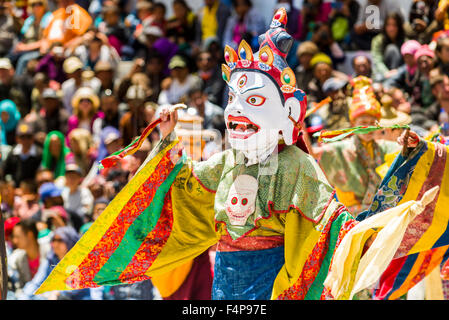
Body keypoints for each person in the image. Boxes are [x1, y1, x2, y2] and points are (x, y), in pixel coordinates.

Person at [37, 9, 440, 301]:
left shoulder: (297, 166)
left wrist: (388, 214)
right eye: (233, 99)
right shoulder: (227, 162)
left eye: (254, 100)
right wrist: (165, 143)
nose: (235, 110)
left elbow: (330, 229)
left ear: (289, 116)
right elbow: (180, 197)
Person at [314, 76, 401, 215]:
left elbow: (405, 153)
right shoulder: (340, 149)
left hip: (382, 215)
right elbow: (313, 154)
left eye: (372, 123)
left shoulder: (385, 147)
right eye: (363, 122)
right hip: (351, 218)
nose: (368, 127)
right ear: (353, 124)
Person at [18, 226, 101, 300]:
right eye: (53, 240)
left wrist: (57, 293)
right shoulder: (50, 260)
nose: (55, 244)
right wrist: (24, 296)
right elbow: (36, 282)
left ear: (70, 241)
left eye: (60, 240)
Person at [7, 219, 50, 297]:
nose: (14, 241)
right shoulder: (19, 260)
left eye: (17, 237)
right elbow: (22, 287)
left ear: (30, 234)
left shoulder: (49, 252)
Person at [10, 0, 53, 76]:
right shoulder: (29, 20)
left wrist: (25, 47)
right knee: (10, 56)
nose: (36, 7)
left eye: (39, 4)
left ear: (44, 5)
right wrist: (20, 46)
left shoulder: (48, 18)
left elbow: (44, 41)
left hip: (39, 51)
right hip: (26, 49)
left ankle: (17, 82)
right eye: (33, 5)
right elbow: (23, 37)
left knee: (23, 60)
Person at [2, 122, 42, 188]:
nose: (26, 140)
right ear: (17, 139)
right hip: (14, 190)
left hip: (32, 190)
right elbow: (5, 171)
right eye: (22, 137)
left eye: (28, 137)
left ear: (33, 138)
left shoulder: (39, 154)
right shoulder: (13, 152)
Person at [370, 12, 406, 82]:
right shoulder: (377, 40)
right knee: (391, 49)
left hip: (400, 73)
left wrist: (398, 71)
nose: (391, 28)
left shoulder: (405, 41)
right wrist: (386, 72)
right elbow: (377, 60)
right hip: (383, 73)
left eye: (394, 25)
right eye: (388, 25)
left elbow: (408, 62)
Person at [61, 163, 94, 232]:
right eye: (69, 177)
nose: (71, 179)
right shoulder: (63, 192)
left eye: (74, 177)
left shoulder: (84, 192)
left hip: (81, 223)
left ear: (79, 179)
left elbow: (87, 209)